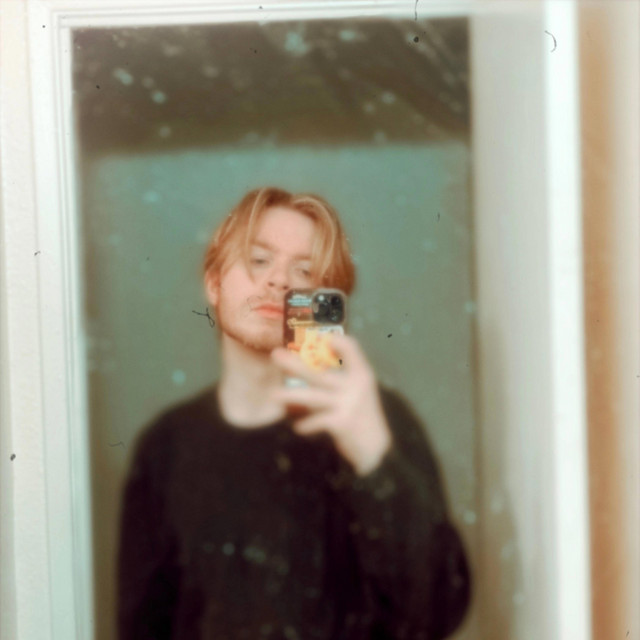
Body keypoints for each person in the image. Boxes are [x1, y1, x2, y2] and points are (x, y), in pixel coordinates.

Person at [117, 187, 471, 640]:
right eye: (259, 260)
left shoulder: (373, 419)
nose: (280, 280)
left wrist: (372, 456)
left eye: (305, 270)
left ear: (329, 300)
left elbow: (438, 613)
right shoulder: (167, 445)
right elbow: (140, 627)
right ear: (214, 284)